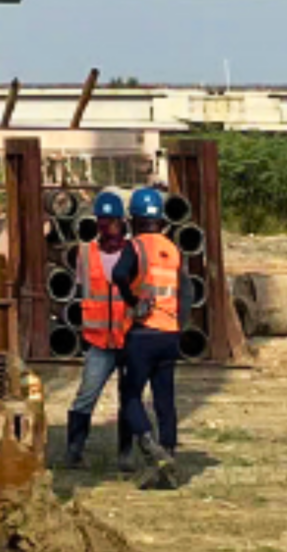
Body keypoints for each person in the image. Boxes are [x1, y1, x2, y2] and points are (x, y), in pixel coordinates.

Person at [59, 189, 135, 469]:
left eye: (113, 222)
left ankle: (126, 454)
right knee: (85, 397)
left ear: (122, 223)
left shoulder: (133, 252)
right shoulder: (86, 253)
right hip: (99, 342)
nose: (108, 228)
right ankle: (74, 450)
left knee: (129, 400)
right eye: (103, 223)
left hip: (128, 339)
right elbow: (85, 290)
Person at [114, 185, 182, 489]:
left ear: (134, 220)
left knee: (131, 395)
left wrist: (131, 299)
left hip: (143, 333)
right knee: (164, 398)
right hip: (170, 334)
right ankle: (168, 454)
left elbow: (119, 274)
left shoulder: (136, 246)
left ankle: (149, 446)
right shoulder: (172, 249)